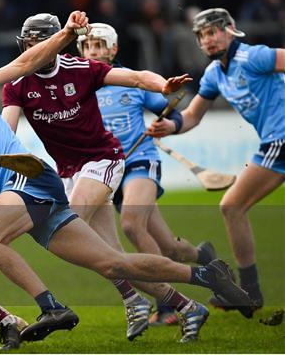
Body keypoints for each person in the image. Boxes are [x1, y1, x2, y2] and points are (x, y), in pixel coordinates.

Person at [0, 11, 253, 346]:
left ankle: (51, 308)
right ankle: (205, 276)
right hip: (33, 190)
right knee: (112, 264)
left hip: (32, 179)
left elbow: (25, 63)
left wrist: (67, 34)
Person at [1, 13, 213, 338]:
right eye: (29, 45)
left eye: (41, 44)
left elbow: (139, 78)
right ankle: (184, 306)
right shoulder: (17, 85)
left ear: (57, 44)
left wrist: (162, 84)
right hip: (68, 171)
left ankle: (151, 293)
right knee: (110, 258)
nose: (34, 51)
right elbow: (7, 133)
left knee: (71, 226)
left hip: (103, 159)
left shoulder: (80, 68)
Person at [76, 22, 219, 326]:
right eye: (88, 46)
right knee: (168, 247)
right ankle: (203, 256)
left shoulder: (129, 81)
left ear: (113, 49)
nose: (94, 51)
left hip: (141, 160)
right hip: (109, 168)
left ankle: (165, 304)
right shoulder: (80, 87)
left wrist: (164, 125)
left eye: (99, 45)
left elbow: (172, 113)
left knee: (130, 223)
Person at [147, 8, 285, 311]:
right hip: (273, 143)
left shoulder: (254, 57)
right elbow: (193, 115)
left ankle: (249, 293)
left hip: (281, 139)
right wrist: (169, 127)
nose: (208, 40)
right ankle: (250, 293)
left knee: (232, 206)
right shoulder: (214, 74)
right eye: (202, 35)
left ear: (230, 30)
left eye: (213, 32)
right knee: (232, 207)